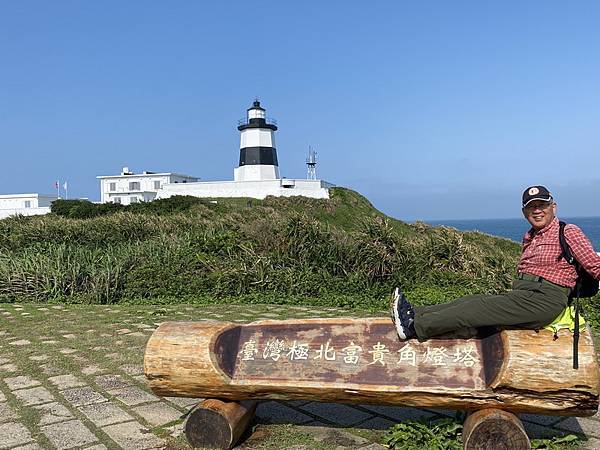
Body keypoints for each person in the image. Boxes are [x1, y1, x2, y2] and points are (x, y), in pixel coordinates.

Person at [391, 185, 600, 341]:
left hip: (545, 300)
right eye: (531, 207)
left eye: (542, 205)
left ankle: (414, 327)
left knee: (478, 308)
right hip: (523, 295)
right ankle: (415, 313)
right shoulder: (530, 237)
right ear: (524, 212)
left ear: (553, 207)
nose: (537, 210)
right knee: (472, 300)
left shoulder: (568, 231)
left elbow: (595, 266)